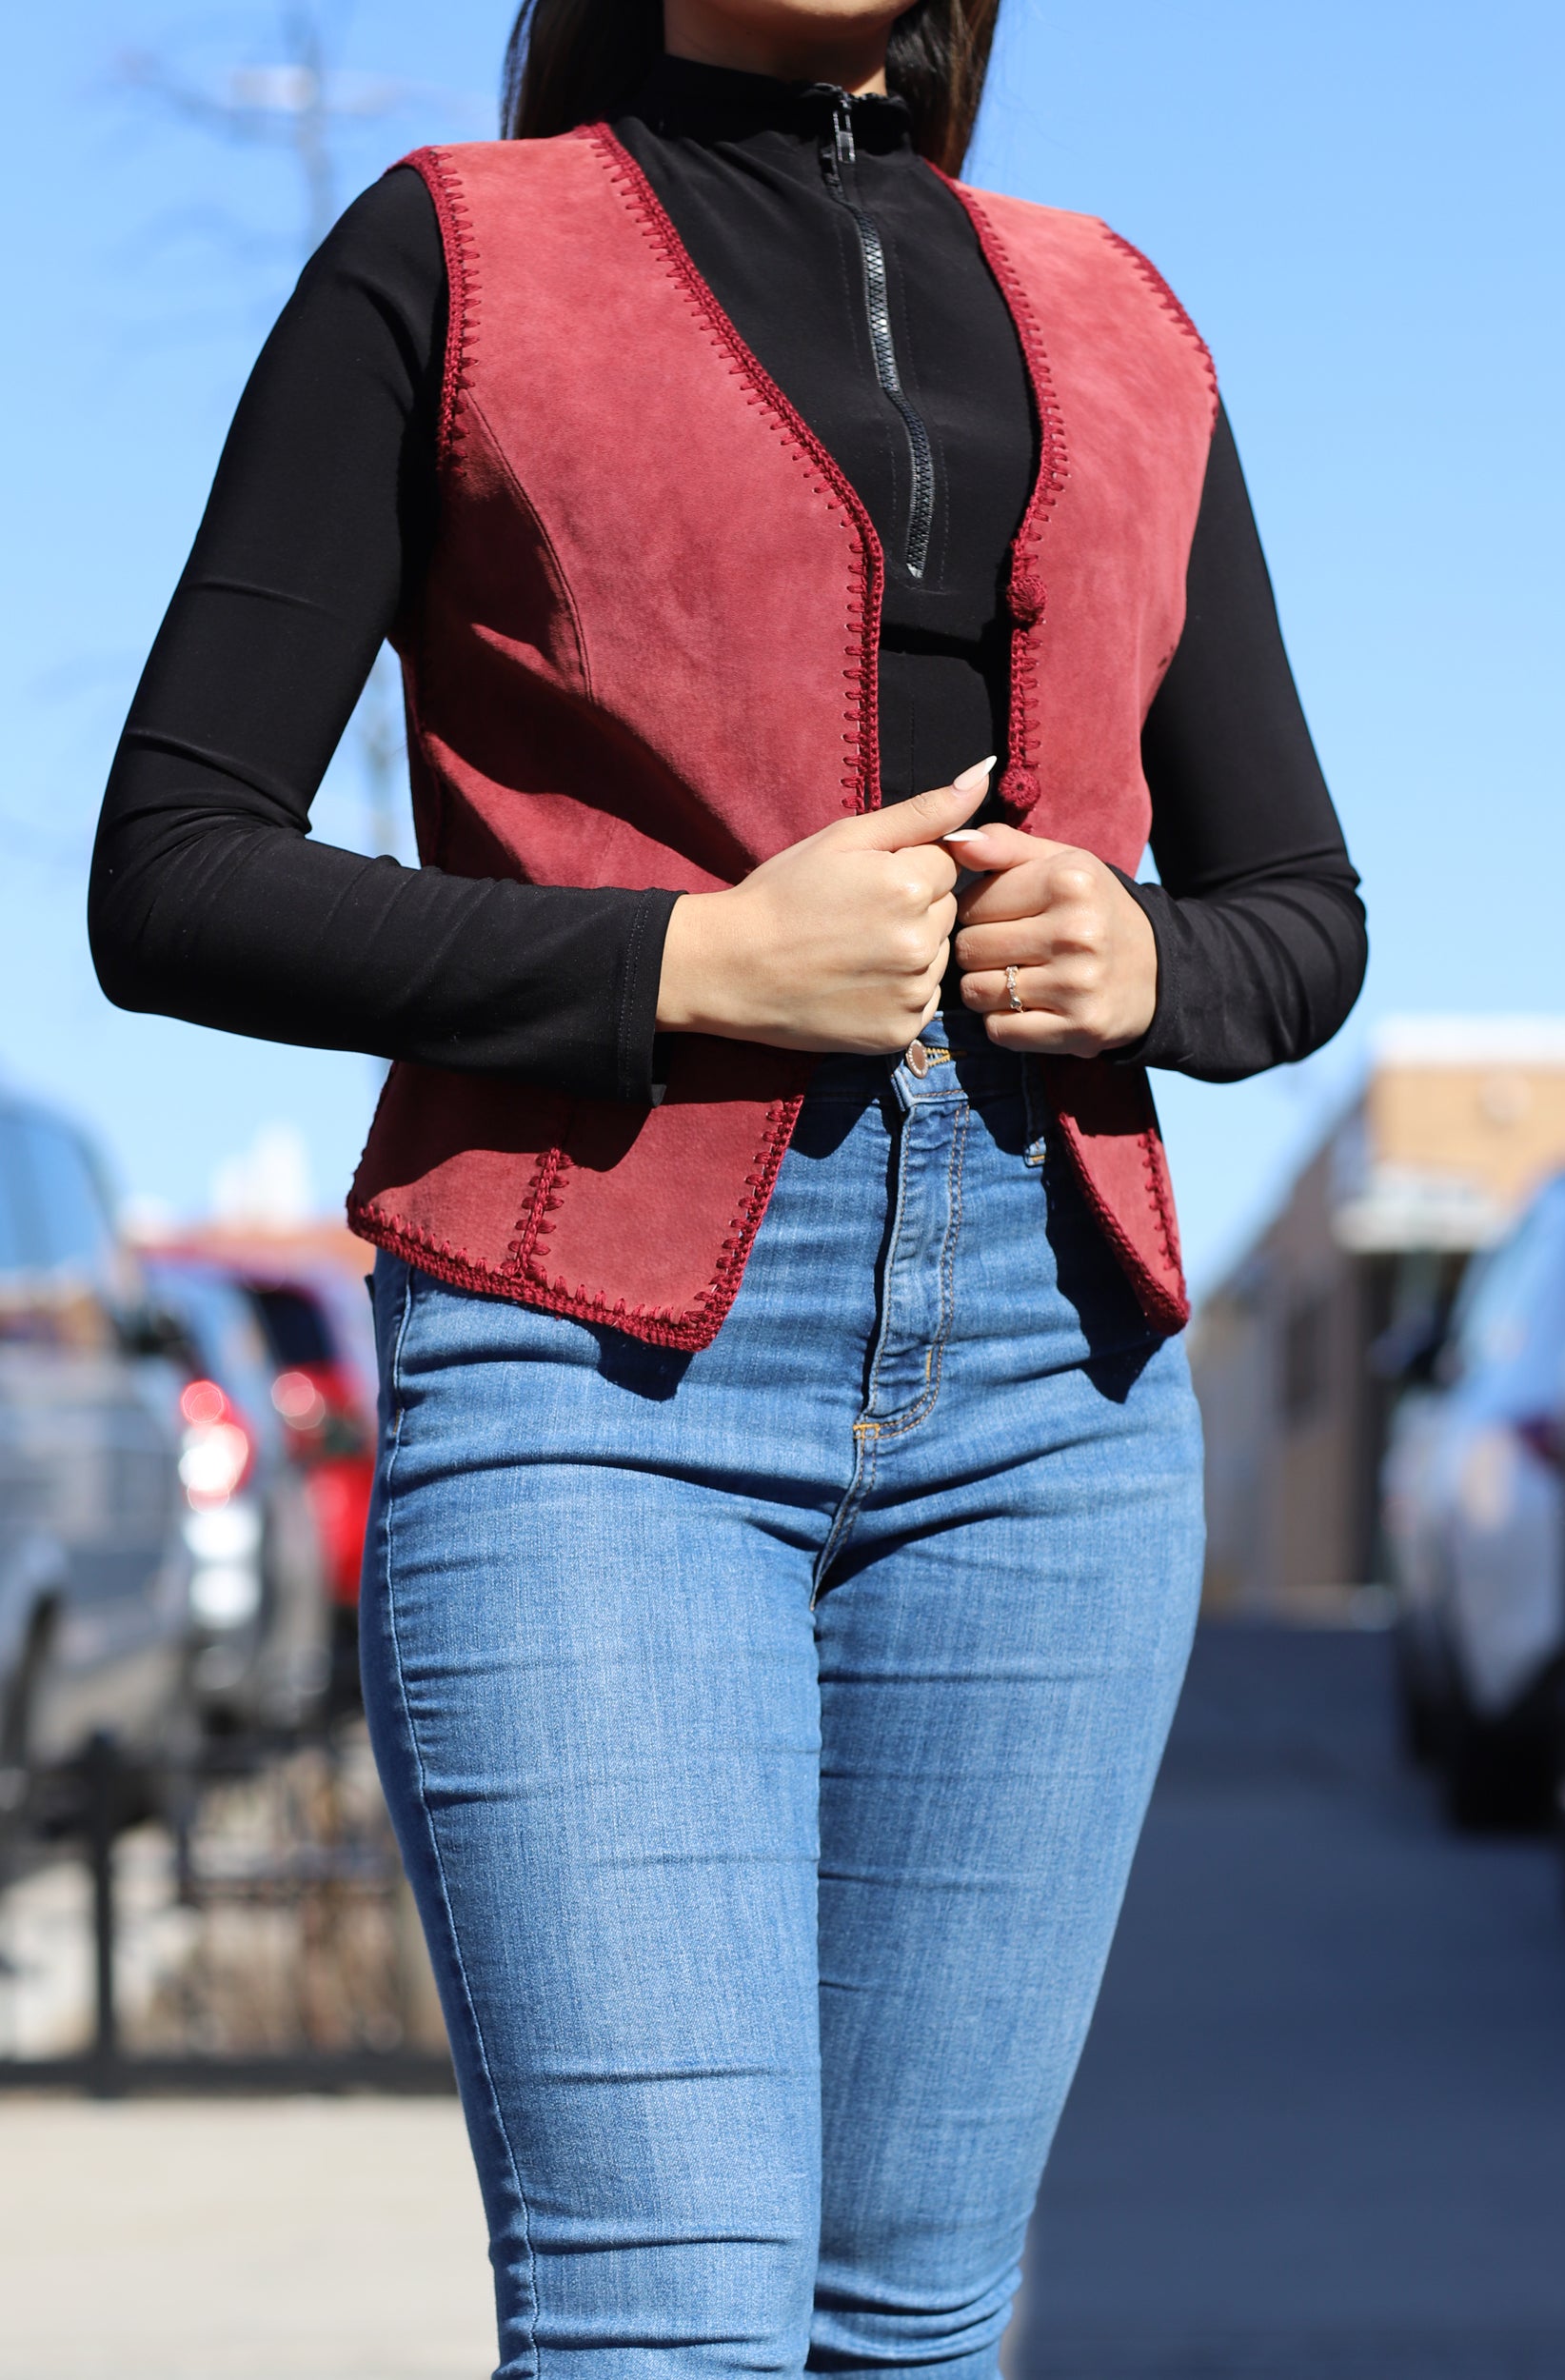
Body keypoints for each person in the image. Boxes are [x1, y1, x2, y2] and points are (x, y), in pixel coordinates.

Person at [90, 0, 1365, 2368]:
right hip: (592, 1363)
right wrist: (686, 959)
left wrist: (1151, 955)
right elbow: (169, 870)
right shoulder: (452, 258)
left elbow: (1303, 909)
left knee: (915, 2317)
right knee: (663, 2319)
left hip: (1053, 1399)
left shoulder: (1123, 311)